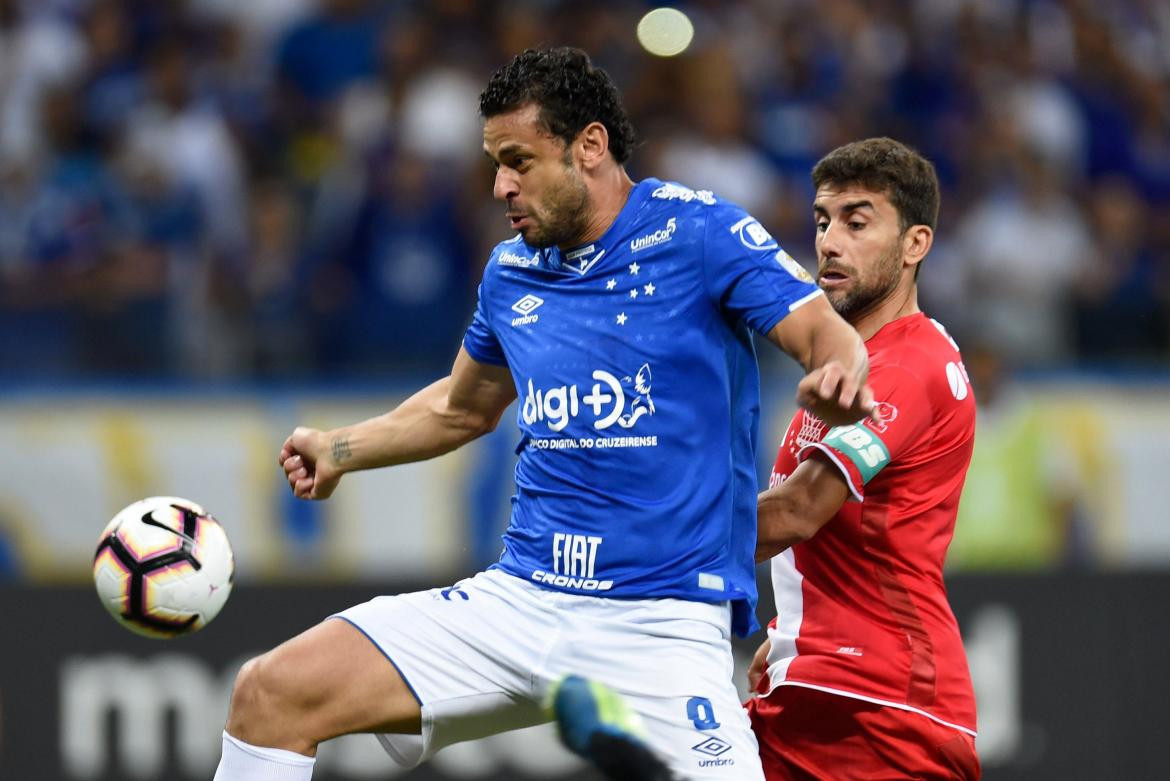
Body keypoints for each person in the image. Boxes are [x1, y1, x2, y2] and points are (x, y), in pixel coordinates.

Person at [213, 47, 873, 781]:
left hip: (658, 622)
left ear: (589, 146)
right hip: (519, 600)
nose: (501, 184)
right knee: (269, 693)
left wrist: (840, 370)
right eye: (496, 162)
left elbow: (820, 330)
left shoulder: (698, 233)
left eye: (519, 160)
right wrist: (340, 449)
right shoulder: (511, 271)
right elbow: (463, 408)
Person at [744, 137, 981, 780]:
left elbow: (796, 513)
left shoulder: (907, 366)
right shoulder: (849, 363)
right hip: (825, 692)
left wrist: (634, 534)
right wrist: (792, 626)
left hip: (881, 714)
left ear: (915, 245)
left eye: (857, 221)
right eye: (822, 221)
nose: (829, 241)